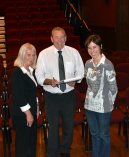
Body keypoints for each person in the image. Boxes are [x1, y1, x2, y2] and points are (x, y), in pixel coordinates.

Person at [35, 27, 84, 157]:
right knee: (53, 127)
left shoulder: (74, 52)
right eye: (56, 37)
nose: (59, 40)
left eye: (62, 37)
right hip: (51, 97)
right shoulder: (44, 54)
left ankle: (65, 150)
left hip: (68, 96)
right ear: (51, 38)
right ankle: (53, 152)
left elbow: (81, 72)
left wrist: (76, 81)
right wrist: (49, 81)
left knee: (69, 125)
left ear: (66, 38)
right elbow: (39, 77)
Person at [84, 34, 118, 157]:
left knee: (104, 135)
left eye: (94, 47)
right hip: (89, 106)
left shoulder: (107, 64)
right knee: (94, 134)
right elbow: (88, 84)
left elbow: (113, 88)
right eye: (89, 48)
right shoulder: (87, 63)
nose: (92, 51)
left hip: (104, 107)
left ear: (101, 46)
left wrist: (110, 103)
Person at [11, 43, 38, 157]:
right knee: (23, 145)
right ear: (22, 55)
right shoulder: (18, 72)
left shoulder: (30, 71)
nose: (31, 58)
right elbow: (18, 96)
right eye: (28, 55)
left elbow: (31, 94)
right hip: (23, 115)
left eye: (33, 55)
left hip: (30, 112)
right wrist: (28, 114)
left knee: (31, 142)